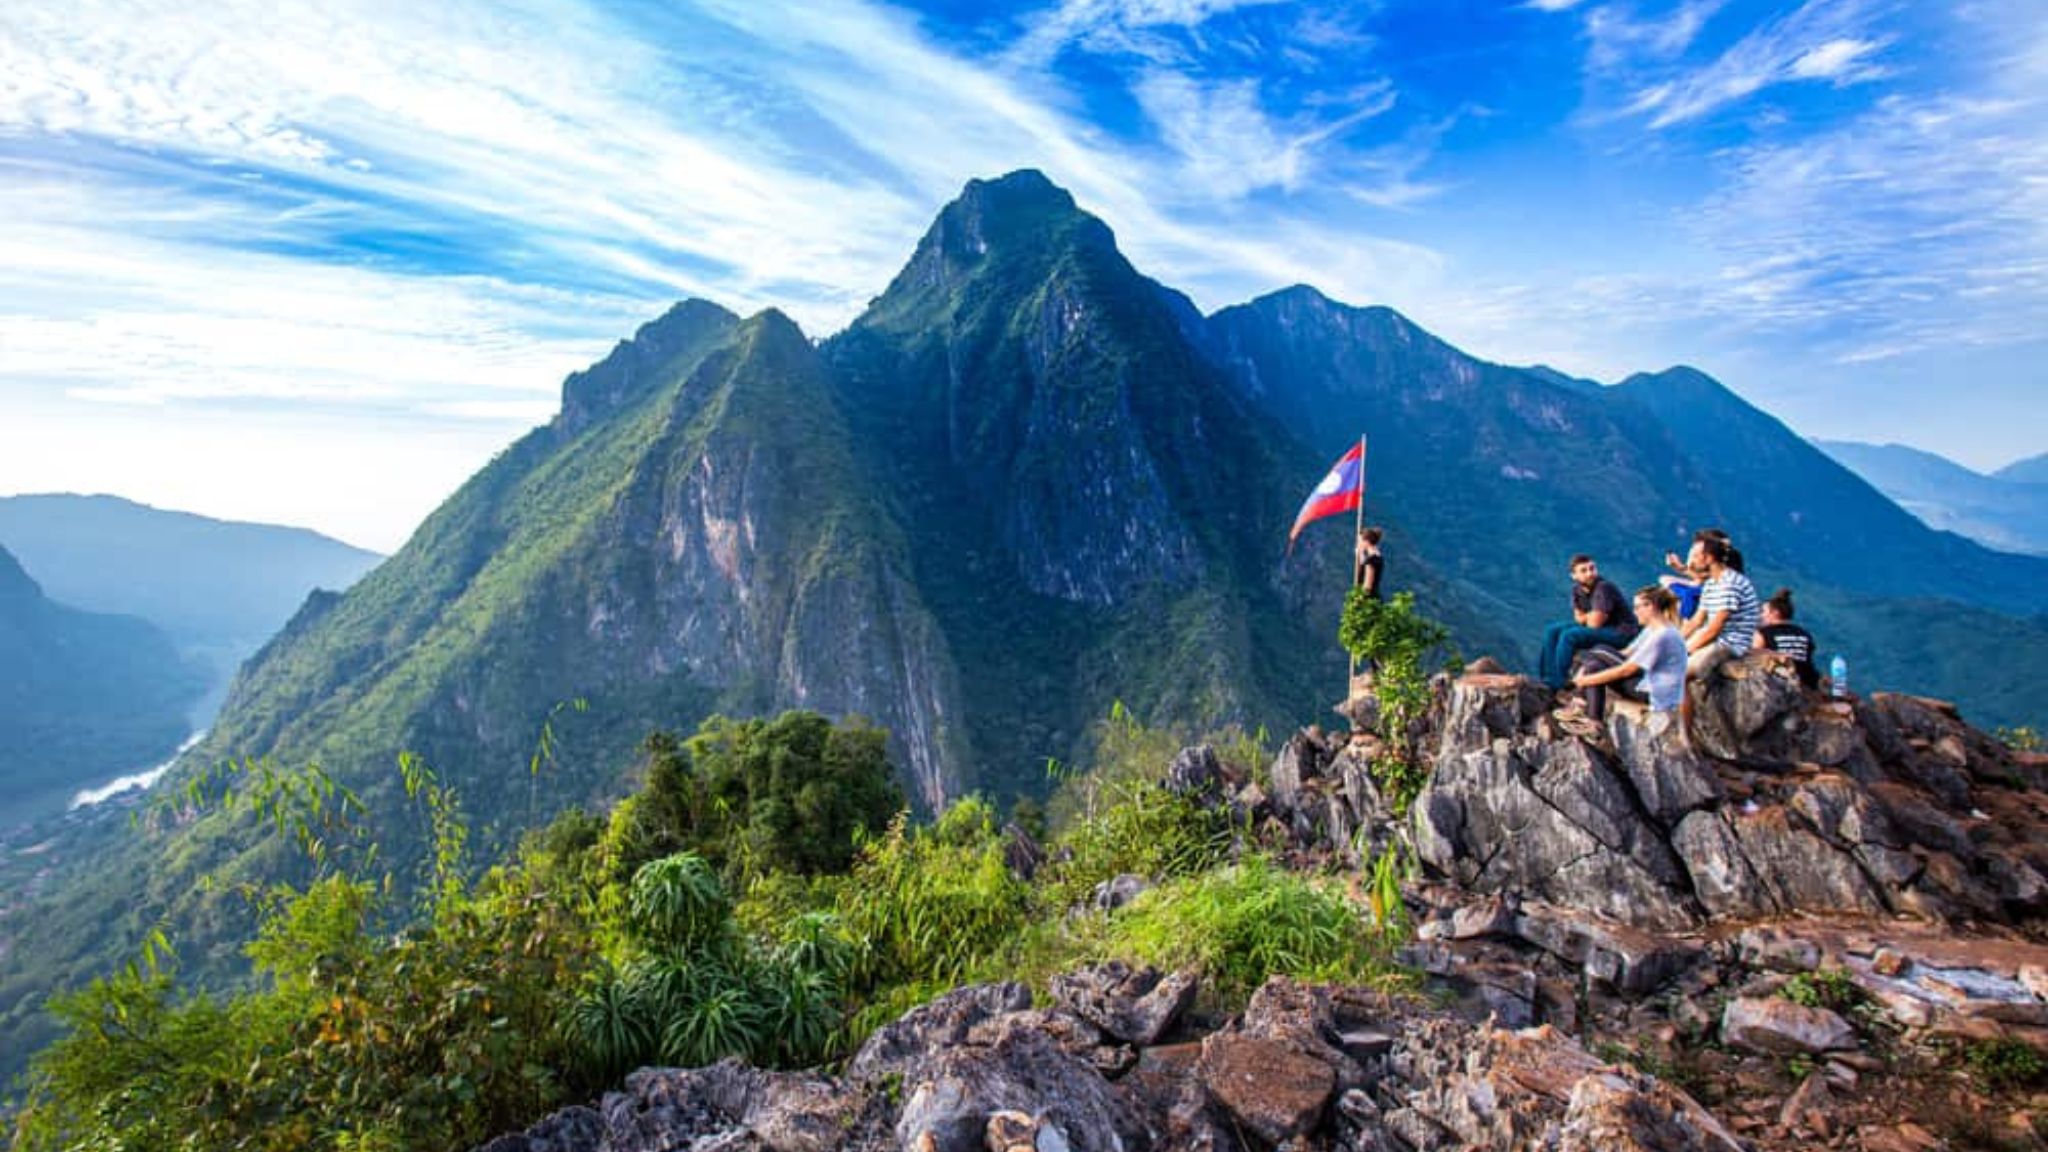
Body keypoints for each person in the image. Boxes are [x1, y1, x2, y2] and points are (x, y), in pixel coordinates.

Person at [1571, 585, 1687, 723]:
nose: (1634, 612)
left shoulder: (1662, 635)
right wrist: (1589, 668)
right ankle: (1593, 721)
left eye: (1637, 607)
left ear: (1650, 607)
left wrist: (1584, 680)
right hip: (1648, 681)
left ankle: (1581, 702)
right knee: (1594, 665)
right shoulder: (1653, 629)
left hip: (1655, 692)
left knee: (1599, 651)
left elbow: (1627, 670)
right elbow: (1627, 652)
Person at [1538, 554, 1639, 690]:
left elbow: (1594, 624)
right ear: (1574, 575)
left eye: (1592, 568)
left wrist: (1589, 617)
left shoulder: (1603, 588)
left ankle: (1561, 682)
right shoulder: (1576, 590)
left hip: (1621, 631)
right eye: (1584, 570)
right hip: (1604, 627)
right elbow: (1578, 618)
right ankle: (1548, 678)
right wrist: (1591, 615)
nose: (1590, 573)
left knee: (1569, 635)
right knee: (1552, 630)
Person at [1680, 533, 1759, 679]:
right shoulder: (1711, 583)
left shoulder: (1730, 583)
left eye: (1696, 556)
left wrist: (1686, 650)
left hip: (1730, 644)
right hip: (1715, 640)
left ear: (1709, 558)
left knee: (1677, 673)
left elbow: (1714, 629)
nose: (1692, 561)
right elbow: (1696, 621)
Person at [1755, 587, 1819, 689]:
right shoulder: (1804, 634)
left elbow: (1754, 656)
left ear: (1775, 613)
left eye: (1763, 611)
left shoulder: (1763, 634)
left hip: (1778, 686)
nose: (1761, 615)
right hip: (1807, 683)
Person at [1354, 526, 1384, 599]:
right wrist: (1360, 553)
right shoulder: (1376, 555)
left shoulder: (1372, 560)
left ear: (1366, 542)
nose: (1358, 544)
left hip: (1368, 599)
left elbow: (1368, 585)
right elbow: (1363, 562)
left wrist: (1359, 599)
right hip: (1374, 595)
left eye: (1359, 541)